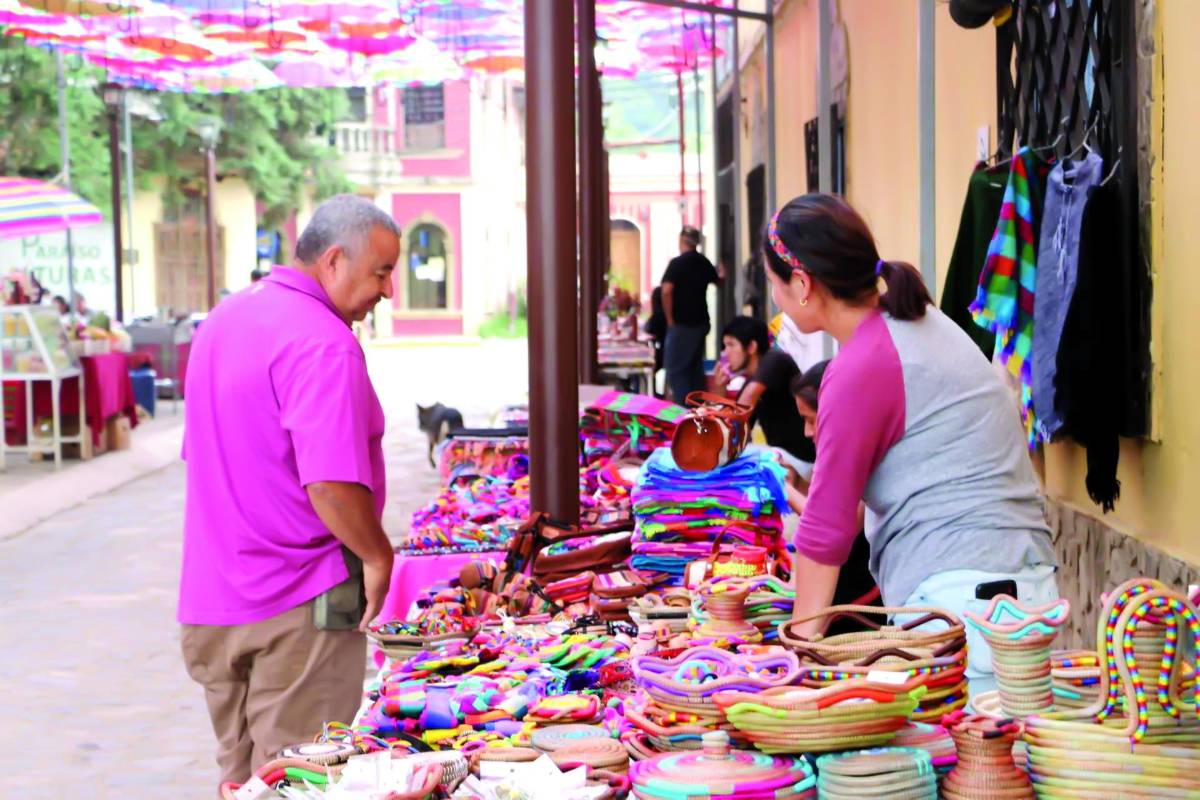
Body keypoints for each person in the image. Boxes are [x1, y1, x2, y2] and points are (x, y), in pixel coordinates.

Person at [765, 193, 1057, 698]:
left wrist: (794, 660)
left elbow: (827, 528)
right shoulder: (912, 322)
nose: (774, 299)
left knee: (965, 771)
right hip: (1007, 589)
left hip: (966, 605)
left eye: (773, 284)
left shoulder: (864, 365)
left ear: (802, 285)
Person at [179, 194, 400, 785]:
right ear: (333, 261)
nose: (387, 290)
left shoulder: (224, 319)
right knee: (303, 782)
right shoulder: (323, 341)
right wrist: (378, 554)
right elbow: (329, 483)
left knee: (242, 781)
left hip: (215, 602)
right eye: (380, 271)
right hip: (297, 604)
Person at [714, 315, 815, 464]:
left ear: (751, 347)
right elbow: (735, 432)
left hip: (805, 460)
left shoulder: (775, 359)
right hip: (784, 457)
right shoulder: (750, 382)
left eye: (731, 345)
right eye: (724, 346)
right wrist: (720, 388)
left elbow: (738, 414)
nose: (725, 353)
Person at [661, 225, 723, 403]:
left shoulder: (677, 263)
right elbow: (719, 282)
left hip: (682, 324)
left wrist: (670, 319)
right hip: (701, 323)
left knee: (677, 371)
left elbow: (666, 290)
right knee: (694, 369)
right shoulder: (703, 262)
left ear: (681, 241)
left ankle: (683, 414)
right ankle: (699, 411)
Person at [644, 286, 668, 395]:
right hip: (667, 352)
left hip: (662, 354)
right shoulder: (670, 316)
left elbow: (648, 329)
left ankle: (651, 392)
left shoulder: (658, 317)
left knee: (648, 365)